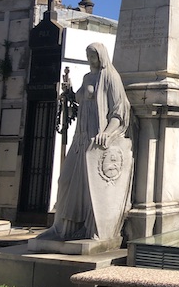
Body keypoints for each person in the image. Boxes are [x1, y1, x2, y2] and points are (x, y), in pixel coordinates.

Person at [37, 43, 131, 241]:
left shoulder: (110, 78)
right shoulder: (88, 77)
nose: (90, 60)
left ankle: (87, 229)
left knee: (90, 189)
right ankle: (61, 227)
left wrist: (107, 132)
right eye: (88, 56)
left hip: (95, 139)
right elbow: (81, 98)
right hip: (80, 139)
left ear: (102, 56)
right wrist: (69, 93)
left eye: (93, 56)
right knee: (65, 182)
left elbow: (119, 111)